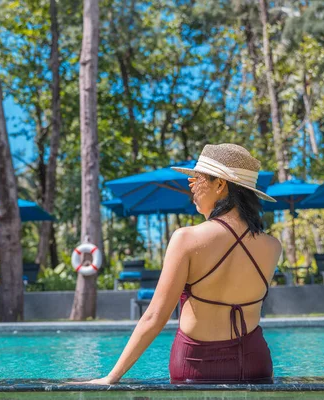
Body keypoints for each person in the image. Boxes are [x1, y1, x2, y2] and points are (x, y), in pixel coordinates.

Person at [87, 143, 282, 384]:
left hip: (196, 364)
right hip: (255, 362)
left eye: (197, 177)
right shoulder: (273, 246)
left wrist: (111, 377)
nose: (191, 184)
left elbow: (155, 316)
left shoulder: (186, 239)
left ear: (220, 184)